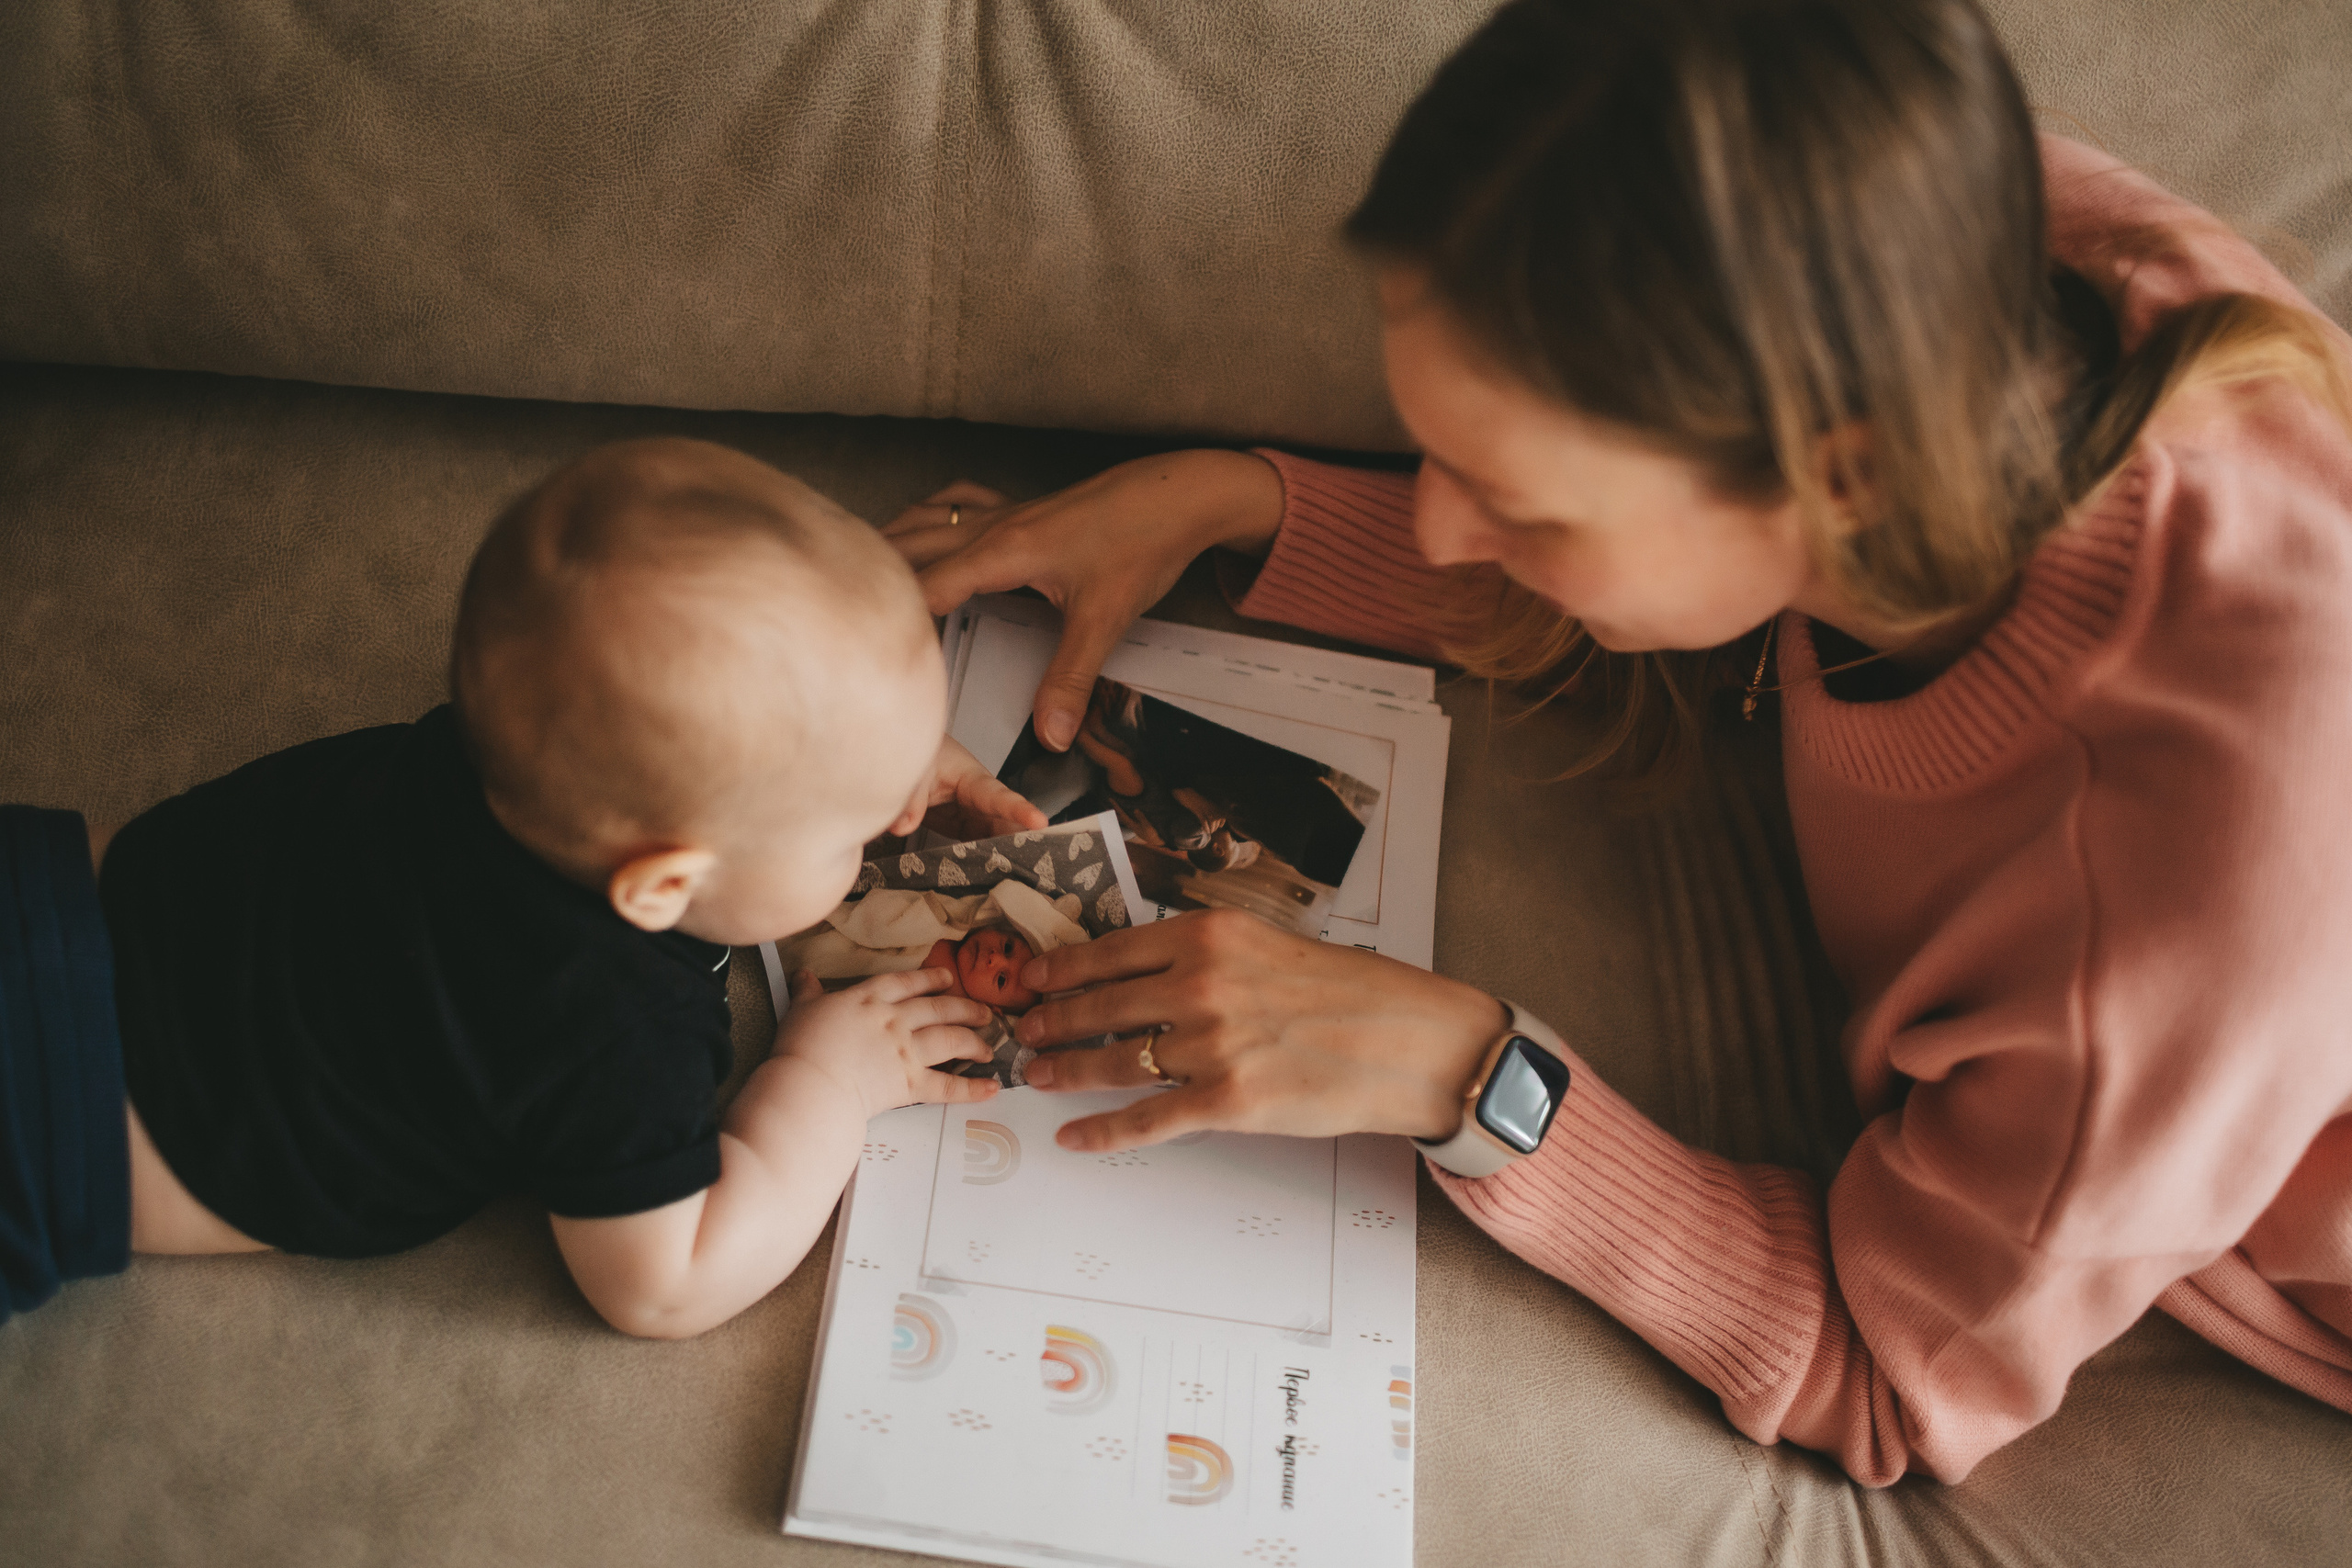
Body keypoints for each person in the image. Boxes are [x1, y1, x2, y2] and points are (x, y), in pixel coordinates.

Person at [879, 0, 2352, 1484]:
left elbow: (1886, 1379)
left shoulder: (2179, 922)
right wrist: (1234, 503)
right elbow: (1690, 568)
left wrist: (1467, 1071)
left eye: (1521, 509)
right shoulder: (1936, 226)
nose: (1445, 521)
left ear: (1840, 481)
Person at [0, 436, 1047, 1339]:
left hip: (45, 894)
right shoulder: (612, 1029)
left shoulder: (504, 744)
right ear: (662, 886)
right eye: (859, 828)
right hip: (56, 1129)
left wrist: (877, 747)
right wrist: (831, 1084)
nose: (896, 827)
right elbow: (663, 1283)